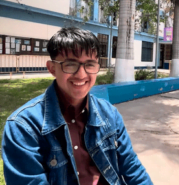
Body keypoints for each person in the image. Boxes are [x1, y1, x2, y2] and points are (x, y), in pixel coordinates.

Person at [1, 27, 153, 185]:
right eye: (70, 64)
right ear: (52, 68)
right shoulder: (23, 127)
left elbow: (132, 168)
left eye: (90, 64)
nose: (81, 75)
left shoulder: (109, 114)